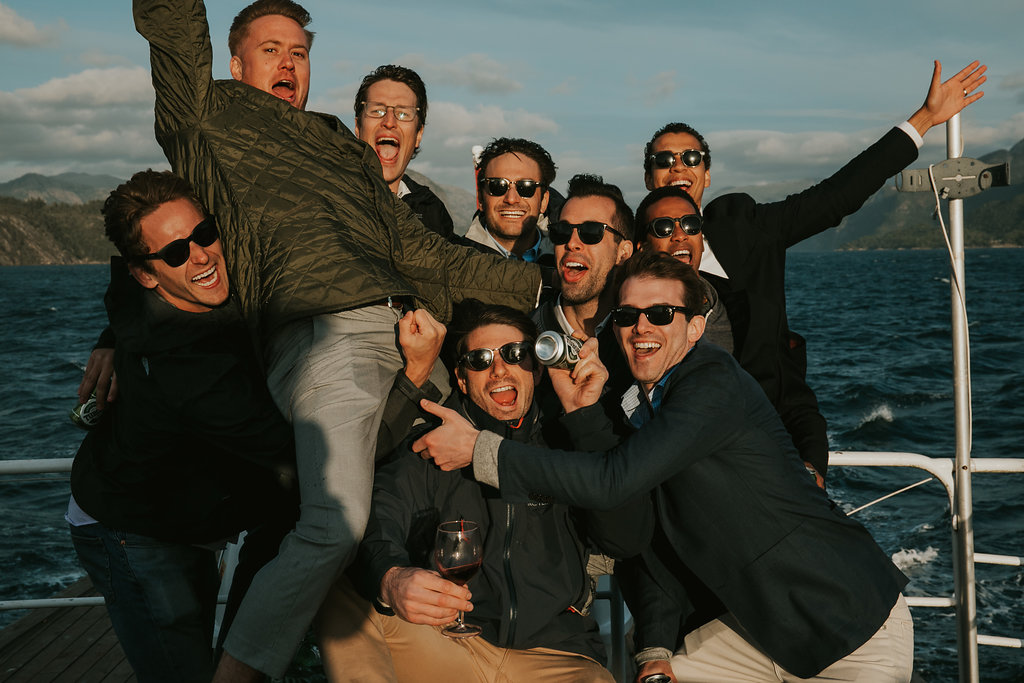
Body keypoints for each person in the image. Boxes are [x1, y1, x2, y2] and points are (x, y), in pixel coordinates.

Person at [132, 1, 542, 679]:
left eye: (299, 52)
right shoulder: (207, 114)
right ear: (235, 63)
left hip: (411, 335)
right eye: (270, 50)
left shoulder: (340, 146)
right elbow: (173, 31)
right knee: (335, 525)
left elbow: (419, 251)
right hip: (327, 335)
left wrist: (545, 286)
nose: (288, 63)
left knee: (486, 468)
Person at [413, 251, 916, 682]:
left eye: (661, 313)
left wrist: (481, 450)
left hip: (847, 621)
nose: (642, 327)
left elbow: (613, 481)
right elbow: (645, 537)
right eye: (627, 315)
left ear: (695, 328)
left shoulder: (712, 382)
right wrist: (654, 648)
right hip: (757, 628)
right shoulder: (638, 408)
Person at [641, 60, 986, 486]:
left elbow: (834, 197)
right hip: (668, 456)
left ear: (706, 175)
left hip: (770, 438)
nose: (678, 167)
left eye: (691, 158)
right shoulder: (627, 264)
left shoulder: (748, 229)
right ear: (648, 177)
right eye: (664, 160)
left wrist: (925, 119)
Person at [316, 300, 651, 682]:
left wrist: (585, 416)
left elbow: (627, 538)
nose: (499, 369)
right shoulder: (432, 442)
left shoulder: (569, 441)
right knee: (338, 583)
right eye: (479, 360)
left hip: (555, 654)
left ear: (536, 368)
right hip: (449, 641)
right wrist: (391, 579)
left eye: (515, 353)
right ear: (462, 380)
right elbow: (376, 514)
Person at [67, 170, 297, 683]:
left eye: (204, 233)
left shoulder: (151, 295)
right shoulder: (189, 373)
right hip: (134, 532)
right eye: (174, 253)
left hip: (184, 515)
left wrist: (111, 338)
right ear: (147, 275)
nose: (200, 256)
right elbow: (300, 456)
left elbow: (122, 292)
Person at [353, 64, 455, 238]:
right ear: (358, 127)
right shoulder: (326, 196)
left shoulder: (432, 211)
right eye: (377, 111)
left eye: (403, 114)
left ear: (418, 134)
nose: (389, 122)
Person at [633, 185, 732, 353]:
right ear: (643, 248)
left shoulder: (735, 304)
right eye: (664, 227)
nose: (680, 235)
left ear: (702, 242)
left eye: (691, 224)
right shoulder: (629, 318)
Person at [465, 137, 558, 265]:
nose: (511, 199)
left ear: (544, 201)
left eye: (526, 187)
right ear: (481, 198)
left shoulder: (570, 262)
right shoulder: (454, 263)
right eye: (497, 185)